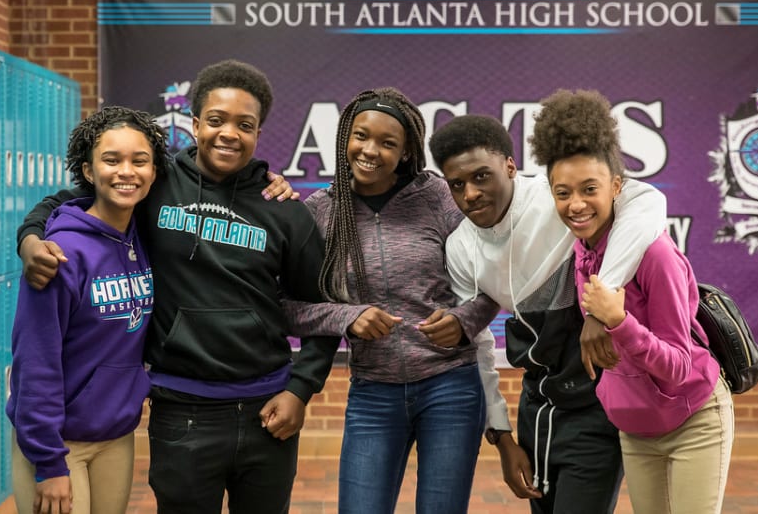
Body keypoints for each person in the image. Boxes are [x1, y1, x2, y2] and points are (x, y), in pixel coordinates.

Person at [16, 60, 340, 514]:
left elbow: (322, 308)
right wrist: (30, 239)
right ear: (194, 125)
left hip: (269, 411)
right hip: (181, 410)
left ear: (259, 133)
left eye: (244, 125)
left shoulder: (284, 209)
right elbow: (65, 202)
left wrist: (300, 390)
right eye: (216, 120)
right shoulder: (155, 183)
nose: (229, 133)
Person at [429, 113, 667, 514]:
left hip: (596, 406)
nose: (470, 194)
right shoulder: (461, 247)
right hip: (536, 413)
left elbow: (648, 201)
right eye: (457, 184)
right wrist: (502, 436)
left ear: (510, 165)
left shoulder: (556, 198)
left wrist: (599, 302)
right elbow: (479, 347)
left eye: (482, 177)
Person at [283, 87, 506, 514]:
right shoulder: (321, 211)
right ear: (345, 136)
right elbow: (286, 308)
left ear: (405, 153)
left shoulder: (439, 196)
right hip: (373, 394)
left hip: (450, 388)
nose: (371, 150)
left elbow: (492, 281)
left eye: (388, 143)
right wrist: (348, 316)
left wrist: (463, 320)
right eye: (361, 136)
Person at [532, 89, 734, 514]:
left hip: (692, 418)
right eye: (562, 192)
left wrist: (620, 321)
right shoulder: (581, 252)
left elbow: (679, 366)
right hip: (636, 428)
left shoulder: (655, 255)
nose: (576, 204)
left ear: (617, 186)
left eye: (590, 189)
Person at [7, 106, 165, 514]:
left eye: (139, 161)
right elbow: (35, 360)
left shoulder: (140, 236)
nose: (126, 171)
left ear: (154, 171)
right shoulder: (59, 253)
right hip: (59, 445)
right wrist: (48, 462)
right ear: (89, 172)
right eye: (111, 160)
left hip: (115, 434)